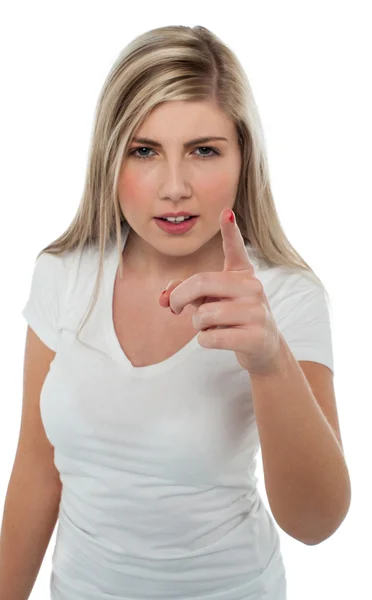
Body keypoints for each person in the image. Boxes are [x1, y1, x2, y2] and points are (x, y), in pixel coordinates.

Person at [1, 25, 347, 600]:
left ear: (243, 158)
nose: (175, 186)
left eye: (204, 150)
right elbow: (37, 472)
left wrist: (269, 361)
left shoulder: (285, 295)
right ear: (111, 158)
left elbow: (317, 523)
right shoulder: (64, 274)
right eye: (144, 151)